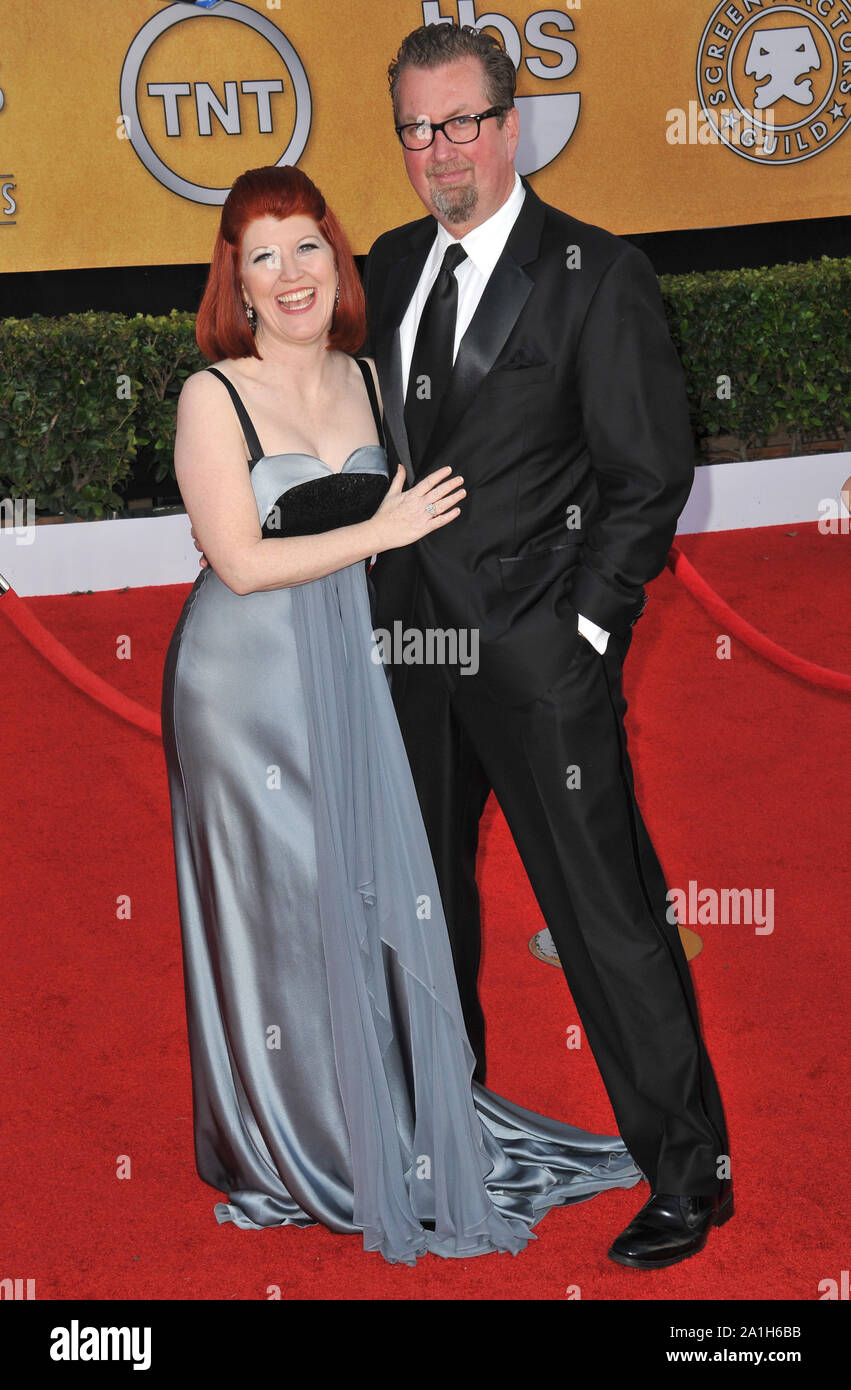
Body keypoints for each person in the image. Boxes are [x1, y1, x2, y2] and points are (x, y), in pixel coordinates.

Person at [162, 162, 643, 1268]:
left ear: (340, 261)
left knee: (370, 890)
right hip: (246, 686)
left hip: (368, 662)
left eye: (307, 248)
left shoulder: (372, 379)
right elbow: (236, 559)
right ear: (233, 280)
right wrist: (380, 533)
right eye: (262, 256)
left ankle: (392, 1119)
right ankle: (296, 1141)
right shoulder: (212, 394)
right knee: (283, 908)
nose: (289, 275)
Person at [362, 23, 732, 1269]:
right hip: (406, 657)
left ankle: (688, 1170)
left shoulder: (592, 272)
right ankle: (437, 1141)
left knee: (604, 917)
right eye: (416, 127)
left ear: (508, 125)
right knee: (424, 914)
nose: (437, 150)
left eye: (460, 122)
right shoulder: (391, 259)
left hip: (535, 660)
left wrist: (582, 628)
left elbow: (647, 474)